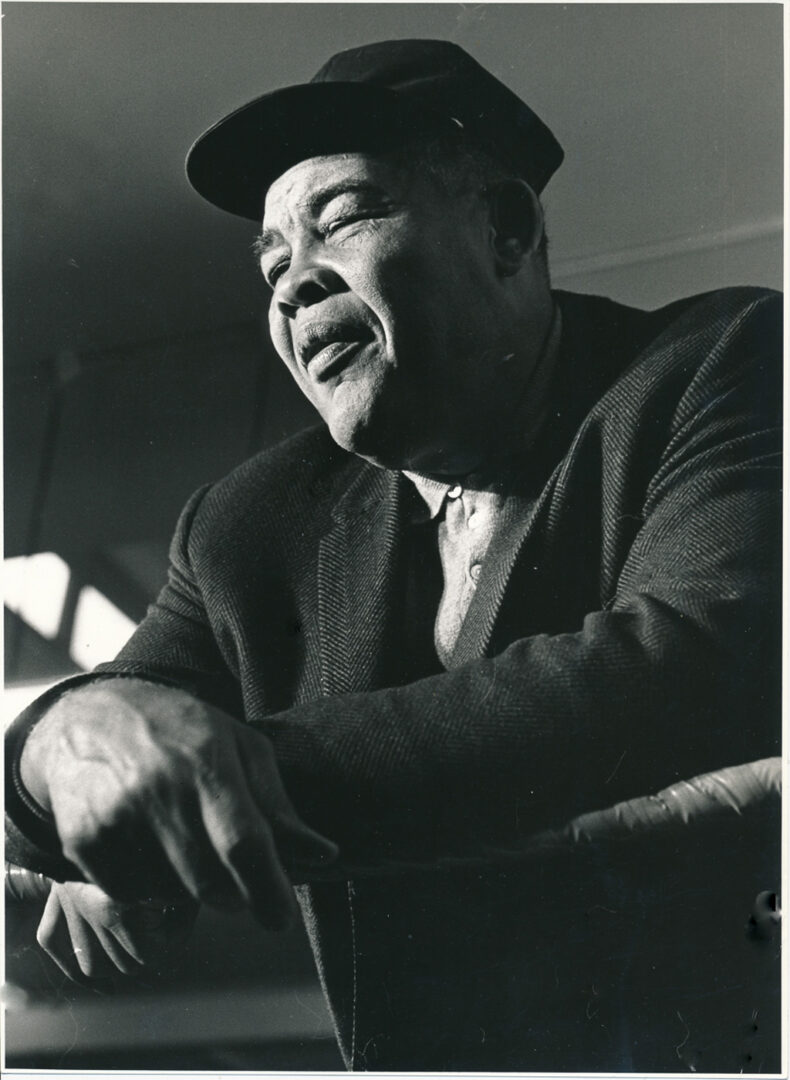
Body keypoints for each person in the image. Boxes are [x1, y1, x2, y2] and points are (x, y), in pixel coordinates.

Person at [5, 39, 781, 1071]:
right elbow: (110, 730)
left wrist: (225, 773)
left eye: (343, 219)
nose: (291, 288)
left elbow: (691, 670)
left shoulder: (724, 360)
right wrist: (63, 737)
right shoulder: (244, 522)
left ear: (506, 228)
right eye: (273, 262)